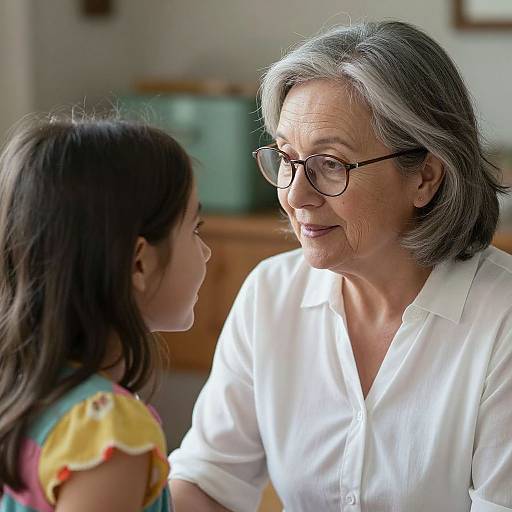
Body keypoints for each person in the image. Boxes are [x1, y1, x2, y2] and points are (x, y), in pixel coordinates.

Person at [169, 20, 512, 512]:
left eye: (331, 163)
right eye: (286, 158)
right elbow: (206, 481)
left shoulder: (502, 321)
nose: (294, 194)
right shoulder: (271, 293)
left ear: (426, 178)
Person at [0, 116, 211, 512]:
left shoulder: (23, 390)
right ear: (139, 264)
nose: (206, 251)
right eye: (195, 229)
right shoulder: (106, 432)